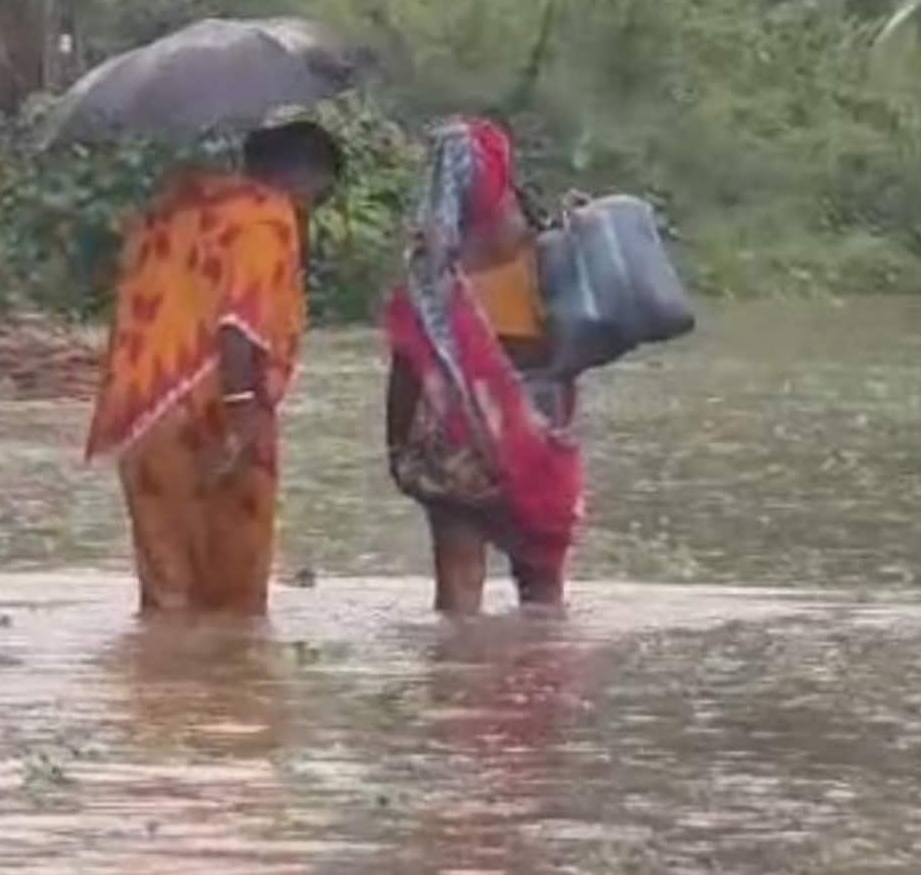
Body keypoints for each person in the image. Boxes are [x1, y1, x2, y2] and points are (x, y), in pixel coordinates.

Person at [85, 121, 344, 615]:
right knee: (236, 606)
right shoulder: (267, 216)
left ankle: (167, 693)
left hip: (142, 416)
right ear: (306, 176)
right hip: (215, 413)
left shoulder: (171, 206)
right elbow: (239, 322)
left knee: (167, 600)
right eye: (320, 196)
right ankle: (225, 694)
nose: (313, 210)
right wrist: (243, 412)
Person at [384, 118, 584, 616]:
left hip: (456, 443)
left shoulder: (432, 274)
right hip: (537, 434)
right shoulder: (547, 251)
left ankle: (454, 688)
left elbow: (409, 364)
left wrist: (396, 446)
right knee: (542, 587)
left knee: (458, 584)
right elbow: (574, 352)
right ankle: (545, 685)